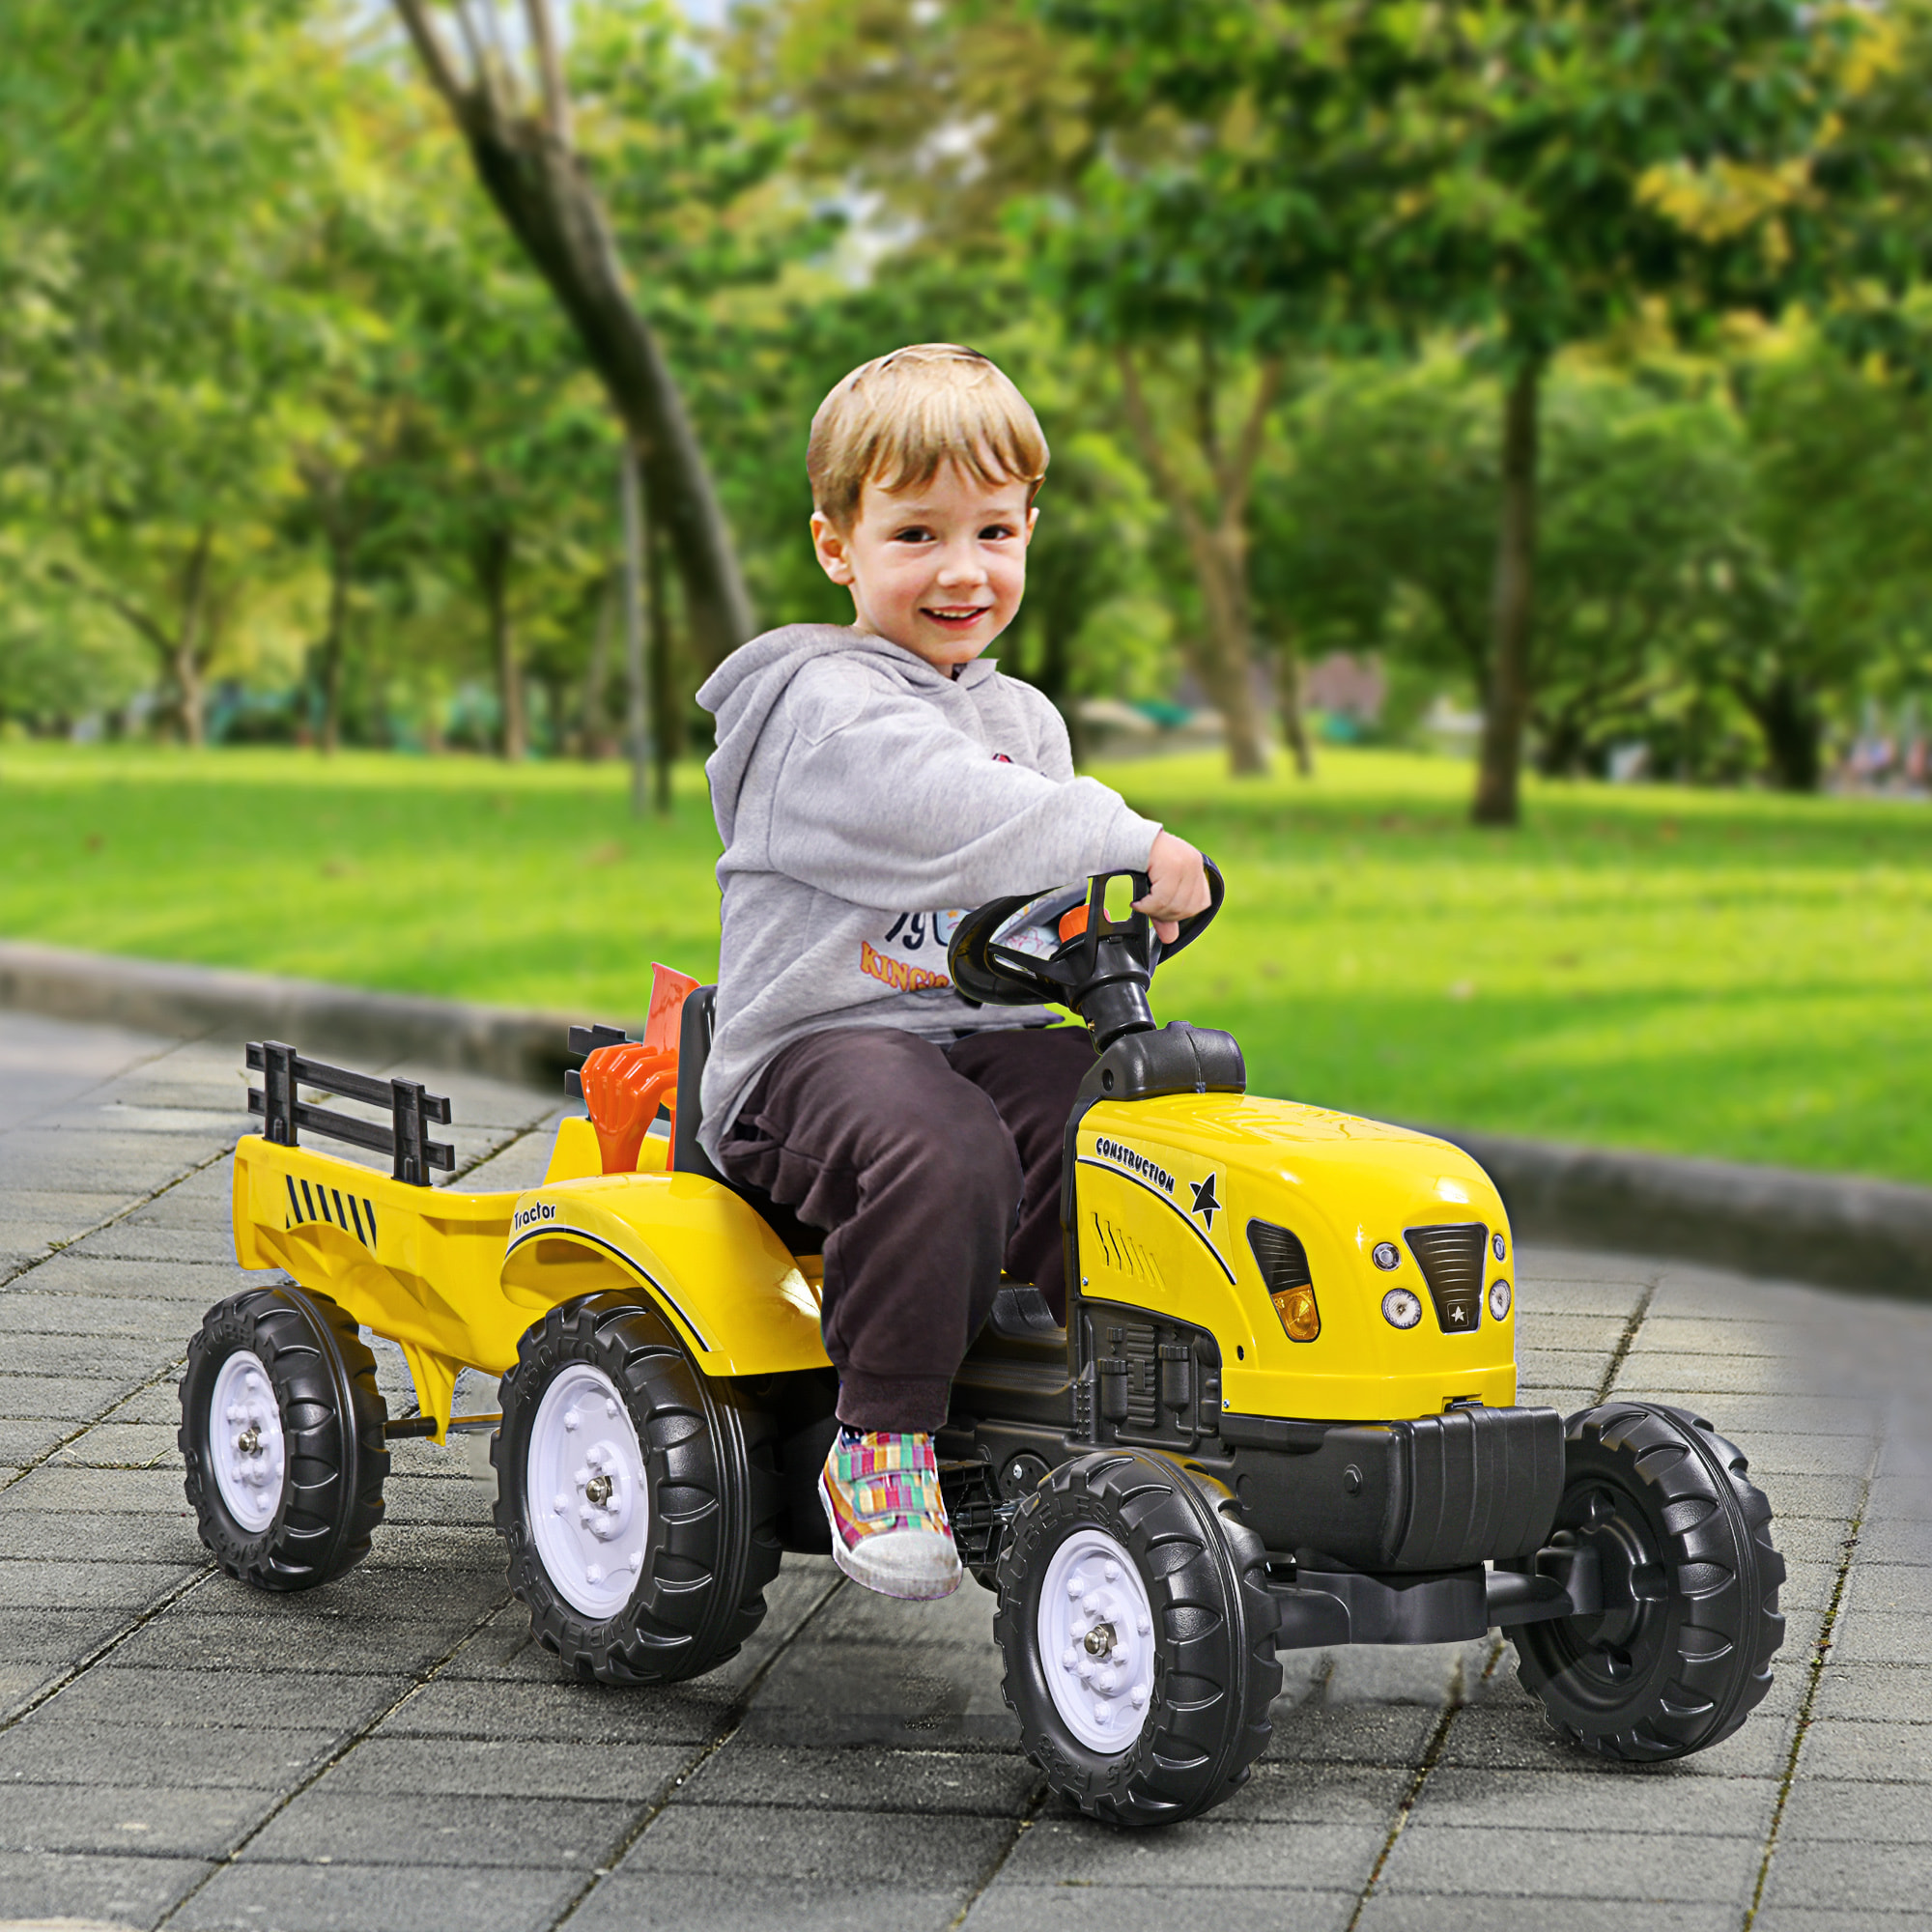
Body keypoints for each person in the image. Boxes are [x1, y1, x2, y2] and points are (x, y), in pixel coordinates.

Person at [695, 343, 1210, 1601]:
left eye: (992, 530)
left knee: (1125, 1123)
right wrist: (1124, 838)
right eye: (917, 534)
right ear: (839, 546)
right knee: (946, 1144)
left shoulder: (1023, 719)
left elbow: (1032, 880)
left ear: (1031, 529)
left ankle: (1147, 1401)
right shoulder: (818, 708)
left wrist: (1131, 914)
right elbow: (946, 811)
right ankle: (880, 1443)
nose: (962, 570)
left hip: (972, 1032)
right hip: (809, 1061)